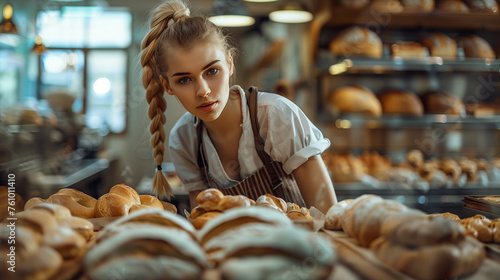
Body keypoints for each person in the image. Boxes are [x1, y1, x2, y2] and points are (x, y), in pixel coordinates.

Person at [140, 0, 337, 214]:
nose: (203, 91)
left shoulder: (275, 115)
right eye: (184, 80)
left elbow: (327, 216)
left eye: (212, 71)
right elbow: (202, 219)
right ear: (168, 86)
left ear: (230, 64)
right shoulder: (184, 139)